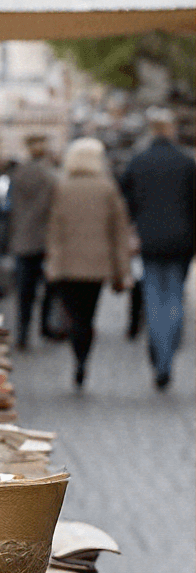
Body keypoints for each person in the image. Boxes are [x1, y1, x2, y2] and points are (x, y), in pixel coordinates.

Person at [44, 138, 133, 388]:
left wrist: (53, 261)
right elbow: (118, 232)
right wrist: (121, 271)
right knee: (88, 315)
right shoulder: (107, 188)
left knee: (73, 315)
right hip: (96, 266)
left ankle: (77, 355)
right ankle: (83, 359)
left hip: (66, 266)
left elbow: (54, 229)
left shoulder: (63, 187)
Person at [120, 108, 196, 390]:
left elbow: (124, 200)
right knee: (175, 296)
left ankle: (160, 354)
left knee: (154, 298)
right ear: (171, 130)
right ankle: (166, 355)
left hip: (149, 241)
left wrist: (132, 230)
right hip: (181, 241)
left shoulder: (139, 161)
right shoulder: (186, 163)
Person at [8, 135, 56, 349]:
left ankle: (23, 331)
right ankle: (45, 327)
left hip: (23, 239)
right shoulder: (49, 176)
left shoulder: (17, 174)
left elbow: (9, 207)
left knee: (24, 292)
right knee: (48, 289)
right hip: (44, 239)